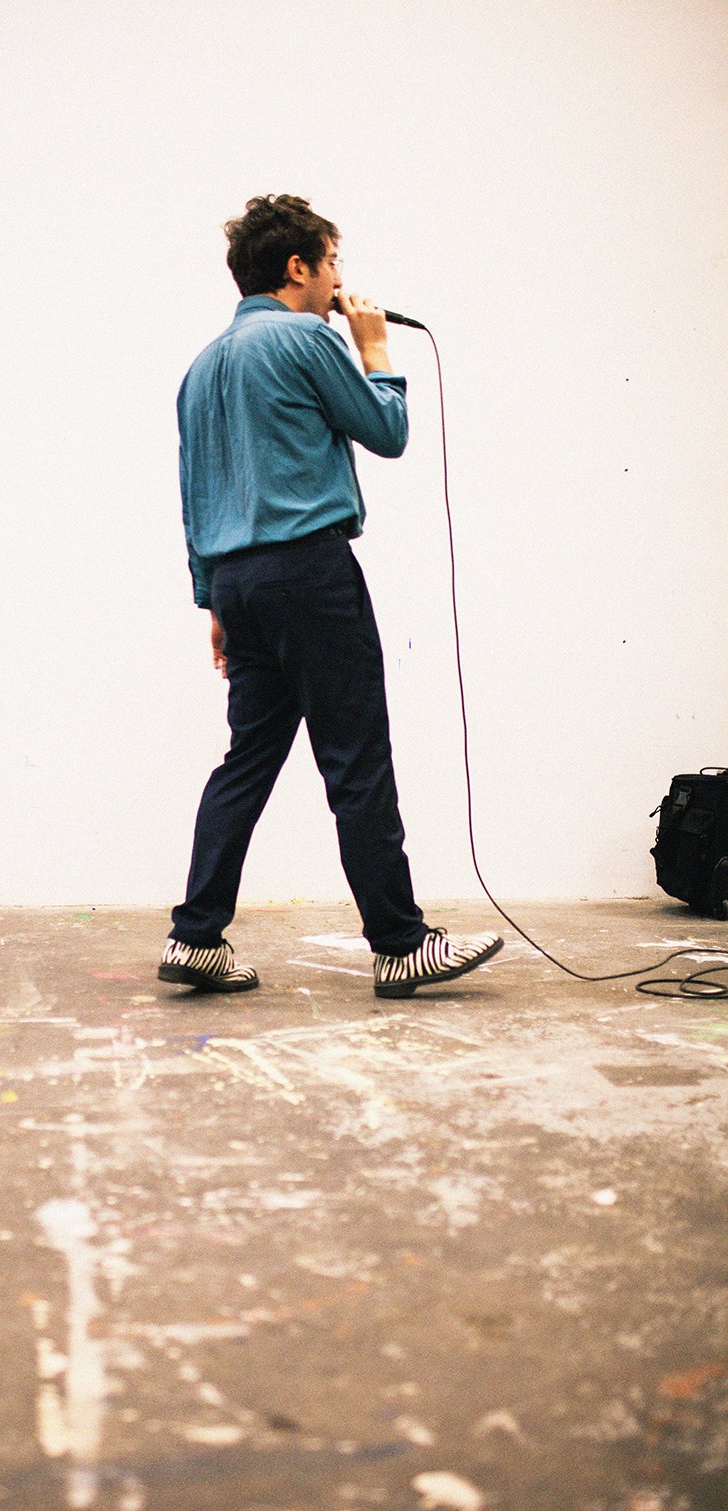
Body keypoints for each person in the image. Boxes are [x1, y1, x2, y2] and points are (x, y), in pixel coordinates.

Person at [158, 193, 502, 1000]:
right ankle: (400, 944)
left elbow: (193, 493)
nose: (339, 280)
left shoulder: (200, 368)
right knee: (355, 759)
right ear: (297, 267)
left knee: (246, 760)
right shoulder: (306, 337)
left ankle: (195, 936)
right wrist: (373, 346)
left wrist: (214, 601)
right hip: (308, 573)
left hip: (238, 585)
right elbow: (386, 432)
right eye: (333, 263)